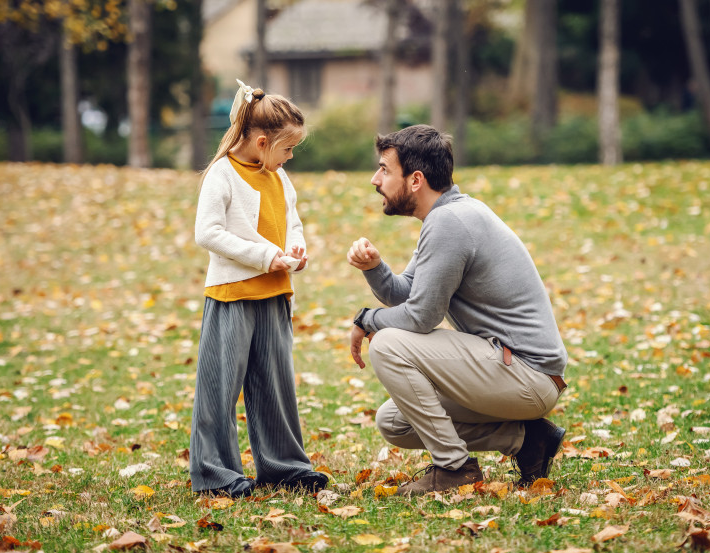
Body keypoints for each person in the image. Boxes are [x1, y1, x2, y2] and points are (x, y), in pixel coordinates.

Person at [347, 124, 568, 496]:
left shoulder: (450, 222)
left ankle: (454, 468)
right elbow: (407, 294)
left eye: (385, 169)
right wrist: (375, 269)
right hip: (516, 372)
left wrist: (366, 321)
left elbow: (420, 317)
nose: (375, 179)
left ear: (416, 179)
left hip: (528, 375)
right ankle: (528, 440)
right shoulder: (448, 215)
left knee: (386, 344)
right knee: (394, 422)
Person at [189, 79, 327, 498]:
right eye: (287, 149)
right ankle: (215, 474)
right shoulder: (222, 175)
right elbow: (207, 233)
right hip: (232, 296)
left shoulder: (280, 178)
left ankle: (284, 467)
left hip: (275, 296)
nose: (289, 157)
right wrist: (264, 258)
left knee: (276, 386)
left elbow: (291, 222)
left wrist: (295, 249)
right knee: (219, 388)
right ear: (263, 142)